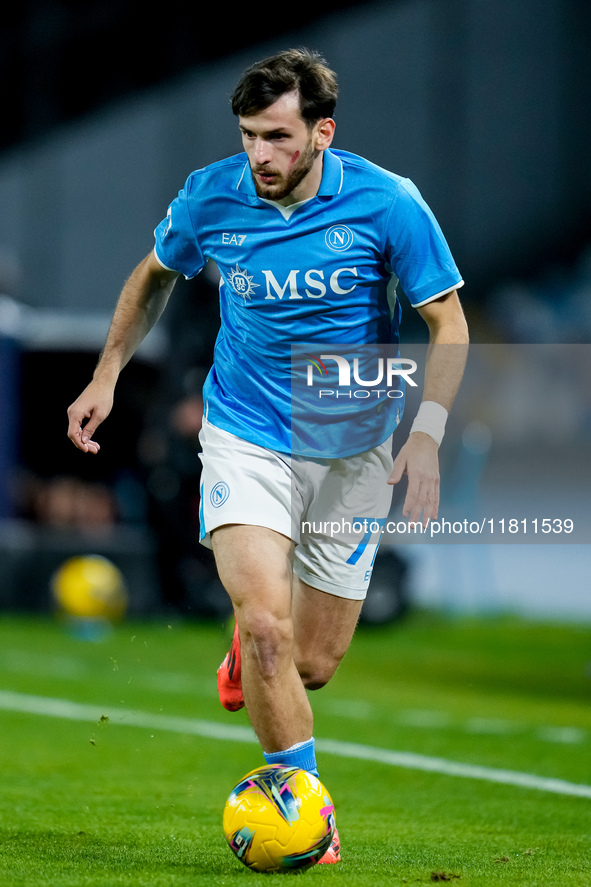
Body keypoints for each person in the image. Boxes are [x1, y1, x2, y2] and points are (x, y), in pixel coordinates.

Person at [67, 48, 469, 864]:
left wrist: (424, 430)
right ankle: (306, 816)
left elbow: (448, 324)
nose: (260, 155)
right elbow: (154, 275)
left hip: (352, 451)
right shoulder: (211, 196)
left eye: (279, 137)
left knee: (311, 662)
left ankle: (250, 658)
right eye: (250, 135)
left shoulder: (389, 204)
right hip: (246, 434)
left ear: (322, 132)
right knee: (265, 625)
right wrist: (107, 372)